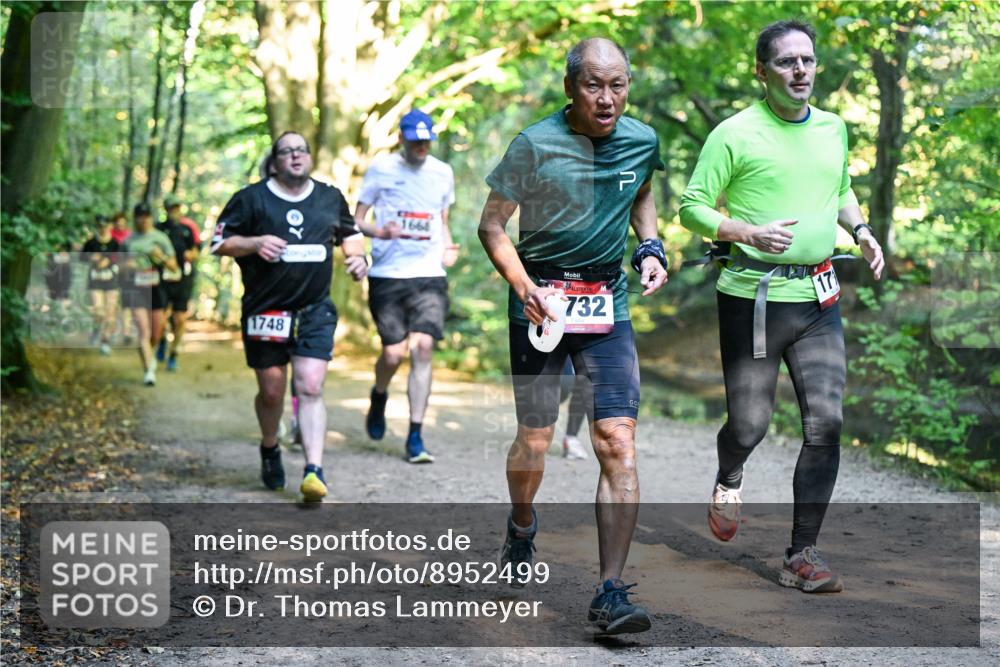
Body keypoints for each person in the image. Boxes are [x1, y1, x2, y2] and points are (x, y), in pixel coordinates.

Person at [679, 20, 885, 594]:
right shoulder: (734, 133)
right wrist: (745, 230)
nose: (801, 71)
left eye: (808, 61)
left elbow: (838, 188)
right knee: (751, 424)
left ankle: (802, 554)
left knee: (827, 423)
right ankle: (729, 472)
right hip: (754, 298)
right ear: (761, 71)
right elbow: (691, 208)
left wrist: (861, 229)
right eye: (787, 62)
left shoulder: (833, 128)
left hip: (818, 299)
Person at [478, 38, 667, 635]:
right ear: (570, 88)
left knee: (617, 440)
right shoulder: (534, 145)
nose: (607, 98)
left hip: (606, 301)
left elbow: (640, 192)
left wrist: (651, 245)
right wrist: (522, 284)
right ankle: (523, 521)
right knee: (534, 441)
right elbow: (491, 226)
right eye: (594, 85)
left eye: (617, 85)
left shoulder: (642, 139)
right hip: (541, 307)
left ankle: (611, 591)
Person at [211, 131, 368, 503]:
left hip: (315, 309)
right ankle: (270, 446)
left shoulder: (330, 197)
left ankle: (314, 470)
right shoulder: (250, 199)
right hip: (266, 310)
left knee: (311, 386)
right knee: (271, 392)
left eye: (301, 150)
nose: (295, 156)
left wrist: (358, 257)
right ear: (276, 160)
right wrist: (253, 243)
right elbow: (219, 242)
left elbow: (351, 233)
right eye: (286, 152)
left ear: (310, 157)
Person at [354, 109, 459, 464]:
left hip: (429, 274)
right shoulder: (381, 169)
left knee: (424, 347)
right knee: (393, 353)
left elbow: (442, 220)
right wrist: (379, 232)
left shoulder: (443, 172)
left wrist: (448, 245)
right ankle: (379, 393)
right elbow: (356, 221)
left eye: (426, 140)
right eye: (415, 141)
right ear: (402, 139)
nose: (421, 147)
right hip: (387, 274)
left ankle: (415, 435)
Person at [120, 202, 178, 386]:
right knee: (143, 330)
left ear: (151, 218)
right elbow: (118, 266)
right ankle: (149, 371)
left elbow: (174, 266)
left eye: (146, 216)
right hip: (136, 289)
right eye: (139, 216)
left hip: (156, 288)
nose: (143, 219)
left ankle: (149, 355)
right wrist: (127, 265)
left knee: (156, 332)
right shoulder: (128, 241)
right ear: (135, 217)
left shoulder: (161, 238)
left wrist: (160, 256)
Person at [155, 194, 200, 372]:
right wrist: (166, 260)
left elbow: (197, 250)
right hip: (163, 278)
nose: (174, 211)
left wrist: (191, 255)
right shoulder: (158, 229)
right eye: (171, 208)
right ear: (166, 209)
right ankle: (162, 340)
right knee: (162, 316)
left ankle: (174, 354)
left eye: (177, 207)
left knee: (180, 318)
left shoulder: (188, 228)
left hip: (183, 278)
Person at [82, 215, 121, 355]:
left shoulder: (116, 243)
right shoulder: (91, 243)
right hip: (95, 281)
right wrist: (92, 259)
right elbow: (82, 258)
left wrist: (109, 261)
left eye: (105, 225)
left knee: (110, 313)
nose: (103, 228)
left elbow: (122, 260)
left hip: (112, 282)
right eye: (100, 225)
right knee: (99, 311)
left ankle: (105, 341)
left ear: (110, 226)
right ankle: (96, 328)